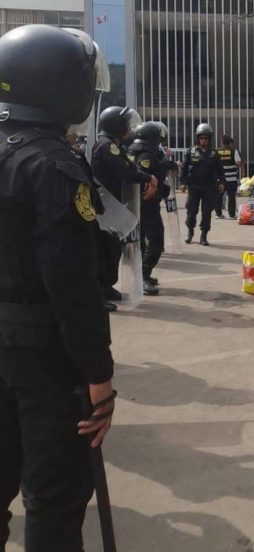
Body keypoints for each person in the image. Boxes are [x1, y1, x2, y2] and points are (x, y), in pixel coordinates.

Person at [0, 24, 116, 551]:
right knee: (54, 497)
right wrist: (99, 376)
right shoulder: (52, 165)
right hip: (43, 354)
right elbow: (72, 288)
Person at [92, 105, 157, 302]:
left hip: (114, 206)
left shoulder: (113, 145)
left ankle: (107, 288)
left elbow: (130, 167)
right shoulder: (107, 146)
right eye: (125, 124)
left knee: (112, 250)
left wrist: (145, 176)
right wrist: (149, 178)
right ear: (116, 125)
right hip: (107, 207)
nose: (129, 128)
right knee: (105, 251)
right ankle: (101, 292)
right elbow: (124, 171)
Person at [129, 122, 168, 295]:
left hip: (136, 204)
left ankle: (142, 275)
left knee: (142, 242)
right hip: (147, 205)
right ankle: (143, 276)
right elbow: (143, 177)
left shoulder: (132, 151)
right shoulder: (146, 155)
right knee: (156, 241)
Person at [181, 123, 225, 246]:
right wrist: (183, 182)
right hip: (194, 186)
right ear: (197, 138)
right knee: (191, 210)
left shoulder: (214, 153)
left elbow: (220, 170)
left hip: (209, 187)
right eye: (201, 138)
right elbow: (184, 168)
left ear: (209, 139)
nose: (204, 140)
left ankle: (203, 236)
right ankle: (190, 232)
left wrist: (221, 182)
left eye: (206, 138)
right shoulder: (191, 151)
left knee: (207, 212)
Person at [215, 134, 244, 219]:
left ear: (222, 142)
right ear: (230, 142)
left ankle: (218, 214)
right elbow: (238, 162)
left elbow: (214, 164)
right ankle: (232, 215)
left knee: (219, 197)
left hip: (220, 179)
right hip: (232, 178)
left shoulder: (217, 151)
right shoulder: (234, 151)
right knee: (231, 197)